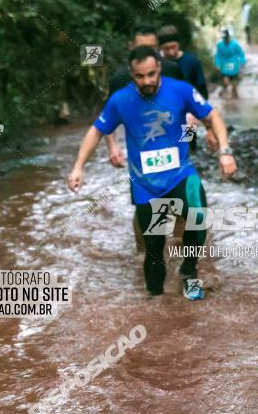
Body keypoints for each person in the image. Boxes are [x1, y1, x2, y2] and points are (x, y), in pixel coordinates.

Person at [68, 46, 237, 300]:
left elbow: (212, 116)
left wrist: (225, 150)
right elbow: (97, 131)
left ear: (159, 68)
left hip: (180, 174)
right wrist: (78, 166)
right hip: (146, 186)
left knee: (198, 218)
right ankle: (156, 302)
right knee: (155, 248)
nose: (147, 81)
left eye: (151, 74)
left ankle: (188, 271)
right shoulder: (120, 100)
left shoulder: (180, 90)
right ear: (131, 74)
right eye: (140, 76)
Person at [105, 26, 185, 166]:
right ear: (131, 47)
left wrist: (189, 140)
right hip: (142, 145)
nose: (148, 53)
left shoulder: (172, 69)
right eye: (142, 47)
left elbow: (190, 109)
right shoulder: (119, 79)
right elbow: (107, 118)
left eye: (152, 48)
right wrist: (113, 147)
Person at [158, 25, 216, 152]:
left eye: (174, 47)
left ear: (179, 44)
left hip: (188, 114)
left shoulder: (192, 62)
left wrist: (196, 113)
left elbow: (202, 90)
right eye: (166, 49)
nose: (171, 52)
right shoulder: (157, 64)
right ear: (160, 48)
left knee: (187, 149)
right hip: (163, 113)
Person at [214, 29, 246, 99]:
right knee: (226, 83)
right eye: (224, 38)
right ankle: (224, 93)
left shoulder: (235, 44)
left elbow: (241, 54)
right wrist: (217, 64)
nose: (226, 39)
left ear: (229, 37)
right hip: (224, 67)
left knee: (234, 88)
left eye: (227, 37)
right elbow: (217, 56)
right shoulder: (220, 45)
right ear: (223, 38)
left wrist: (242, 62)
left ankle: (235, 102)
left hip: (234, 67)